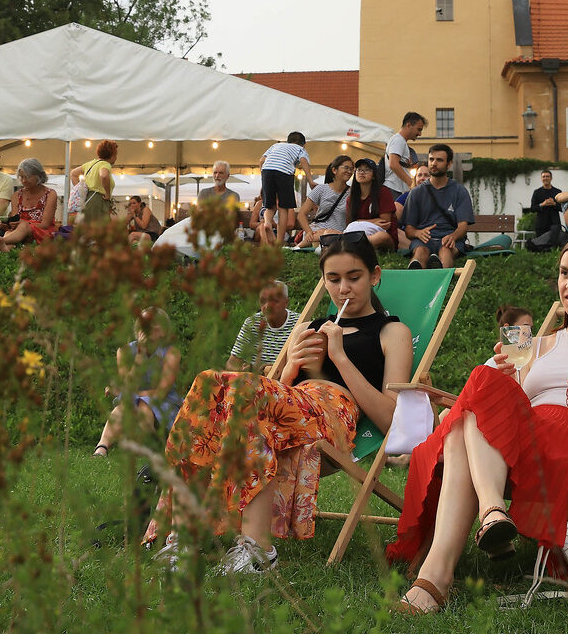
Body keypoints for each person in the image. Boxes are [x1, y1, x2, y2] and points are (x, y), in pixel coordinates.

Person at [386, 236, 568, 614]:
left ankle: (445, 567)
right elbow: (508, 413)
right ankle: (468, 541)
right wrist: (498, 384)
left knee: (468, 413)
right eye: (565, 273)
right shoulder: (536, 344)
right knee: (471, 407)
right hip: (531, 445)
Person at [154, 234, 413, 575]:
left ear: (374, 276)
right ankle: (184, 534)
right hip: (287, 407)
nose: (344, 289)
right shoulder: (307, 328)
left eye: (354, 277)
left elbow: (392, 421)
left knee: (247, 395)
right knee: (208, 382)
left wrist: (340, 358)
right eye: (333, 279)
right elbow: (274, 390)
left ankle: (256, 549)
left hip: (333, 416)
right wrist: (291, 365)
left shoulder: (391, 332)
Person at [94, 308, 186, 457]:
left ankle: (148, 448)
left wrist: (126, 393)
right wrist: (140, 355)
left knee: (142, 404)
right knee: (125, 407)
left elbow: (162, 391)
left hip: (164, 401)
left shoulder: (171, 353)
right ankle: (102, 447)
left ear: (163, 330)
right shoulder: (124, 352)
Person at [399, 144, 475, 270]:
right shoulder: (416, 192)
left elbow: (463, 226)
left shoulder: (459, 191)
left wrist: (453, 236)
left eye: (439, 160)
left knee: (445, 250)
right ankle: (414, 279)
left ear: (449, 164)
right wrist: (418, 233)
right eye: (431, 159)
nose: (434, 163)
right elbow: (409, 230)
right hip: (423, 240)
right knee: (420, 252)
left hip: (449, 239)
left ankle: (441, 282)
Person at [0, 157, 61, 249]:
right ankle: (4, 248)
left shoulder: (50, 194)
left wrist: (23, 223)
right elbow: (14, 221)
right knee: (9, 232)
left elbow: (45, 224)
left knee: (23, 226)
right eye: (21, 177)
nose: (24, 180)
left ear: (38, 176)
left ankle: (1, 240)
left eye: (27, 177)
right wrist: (7, 225)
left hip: (42, 232)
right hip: (19, 234)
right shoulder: (16, 196)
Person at [229, 281, 296, 373]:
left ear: (286, 302)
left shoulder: (299, 323)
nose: (267, 306)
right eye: (263, 301)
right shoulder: (252, 323)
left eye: (274, 301)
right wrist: (244, 371)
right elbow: (231, 363)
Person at [259, 131, 311, 247]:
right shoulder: (300, 149)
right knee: (283, 208)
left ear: (288, 141)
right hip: (284, 172)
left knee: (269, 206)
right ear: (303, 144)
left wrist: (264, 177)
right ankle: (279, 242)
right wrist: (310, 180)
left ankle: (267, 223)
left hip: (267, 171)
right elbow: (303, 161)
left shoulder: (276, 145)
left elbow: (261, 160)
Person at [342, 158, 398, 250]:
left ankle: (348, 245)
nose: (361, 172)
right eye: (359, 170)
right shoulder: (351, 198)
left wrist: (359, 221)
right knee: (328, 232)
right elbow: (350, 223)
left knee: (381, 236)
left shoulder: (383, 192)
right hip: (357, 234)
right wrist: (370, 221)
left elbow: (385, 222)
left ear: (374, 176)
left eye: (367, 170)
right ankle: (352, 245)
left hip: (383, 237)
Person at [300, 155, 353, 246]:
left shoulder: (353, 193)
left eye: (351, 169)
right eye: (346, 168)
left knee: (328, 235)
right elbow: (301, 214)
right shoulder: (321, 189)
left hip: (338, 233)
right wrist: (308, 231)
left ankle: (301, 246)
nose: (349, 171)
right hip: (316, 230)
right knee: (321, 235)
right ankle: (313, 243)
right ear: (334, 170)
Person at [385, 112, 426, 200]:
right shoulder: (398, 140)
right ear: (408, 125)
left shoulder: (399, 140)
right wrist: (411, 184)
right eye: (419, 129)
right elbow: (393, 164)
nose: (420, 134)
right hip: (393, 189)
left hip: (395, 189)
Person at [78, 140, 118, 227]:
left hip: (87, 199)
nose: (116, 158)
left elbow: (73, 173)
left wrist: (81, 189)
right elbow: (103, 175)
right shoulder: (105, 164)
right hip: (98, 200)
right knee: (99, 231)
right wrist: (107, 193)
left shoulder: (90, 164)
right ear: (112, 155)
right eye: (116, 155)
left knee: (89, 229)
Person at [524, 169, 565, 251]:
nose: (545, 178)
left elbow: (563, 208)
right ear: (541, 179)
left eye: (547, 176)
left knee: (554, 246)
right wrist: (543, 204)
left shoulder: (557, 192)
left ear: (551, 178)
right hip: (541, 224)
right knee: (540, 246)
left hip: (554, 223)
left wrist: (554, 204)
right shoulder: (537, 192)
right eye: (543, 177)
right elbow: (532, 208)